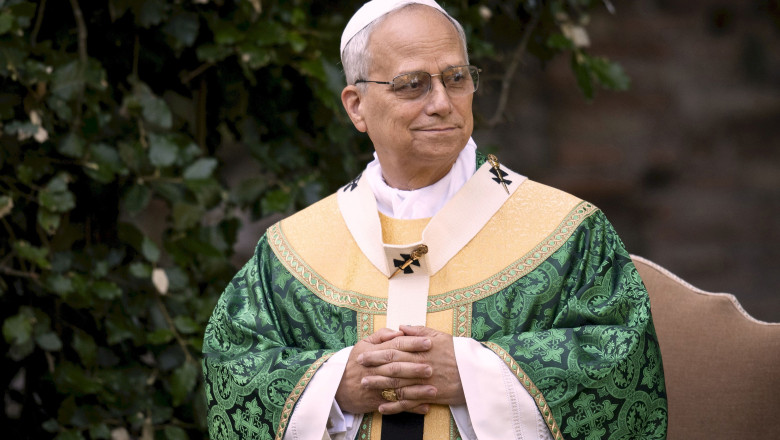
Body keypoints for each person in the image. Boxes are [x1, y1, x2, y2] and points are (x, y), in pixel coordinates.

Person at [202, 1, 668, 439]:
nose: (442, 102)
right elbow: (233, 373)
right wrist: (331, 387)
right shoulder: (291, 250)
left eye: (456, 78)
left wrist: (472, 375)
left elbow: (623, 372)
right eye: (413, 84)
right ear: (356, 106)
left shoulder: (568, 232)